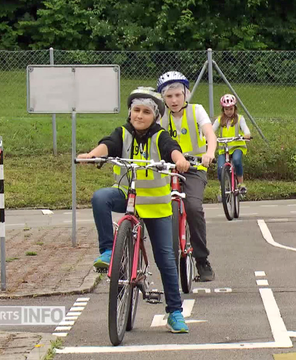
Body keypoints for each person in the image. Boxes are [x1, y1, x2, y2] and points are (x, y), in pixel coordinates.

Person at [78, 87, 190, 333]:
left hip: (156, 205)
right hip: (126, 196)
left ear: (155, 116)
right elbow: (107, 145)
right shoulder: (123, 133)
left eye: (146, 112)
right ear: (130, 113)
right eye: (136, 110)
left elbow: (172, 148)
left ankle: (175, 312)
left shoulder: (160, 136)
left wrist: (179, 159)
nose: (139, 116)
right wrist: (92, 155)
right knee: (100, 198)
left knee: (166, 259)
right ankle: (108, 251)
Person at [157, 71, 217, 282]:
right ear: (163, 98)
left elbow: (210, 134)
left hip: (194, 169)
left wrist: (209, 153)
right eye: (168, 96)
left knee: (193, 207)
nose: (174, 100)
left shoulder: (196, 110)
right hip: (166, 169)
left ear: (185, 94)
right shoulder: (160, 115)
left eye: (177, 95)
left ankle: (202, 260)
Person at [213, 94, 251, 193]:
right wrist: (208, 137)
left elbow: (246, 130)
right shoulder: (219, 119)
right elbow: (211, 130)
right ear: (223, 110)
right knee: (220, 167)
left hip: (237, 146)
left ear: (235, 108)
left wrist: (246, 135)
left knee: (237, 160)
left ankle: (241, 184)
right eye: (226, 109)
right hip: (223, 148)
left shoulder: (239, 118)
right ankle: (223, 186)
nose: (229, 111)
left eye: (231, 109)